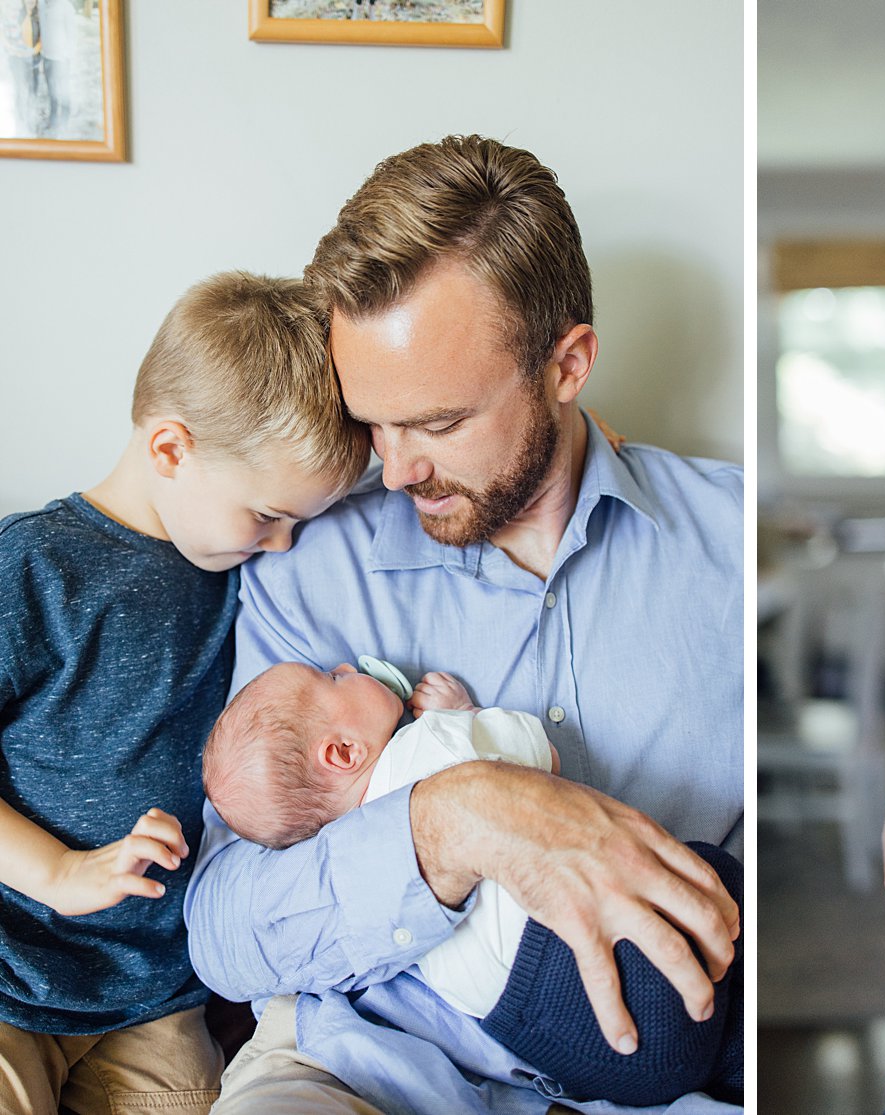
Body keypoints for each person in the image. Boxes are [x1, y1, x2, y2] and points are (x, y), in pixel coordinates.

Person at [184, 135, 744, 1115]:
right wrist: (449, 819)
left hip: (659, 1077)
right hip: (361, 1066)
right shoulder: (312, 563)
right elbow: (223, 929)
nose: (394, 471)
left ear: (566, 365)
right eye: (375, 423)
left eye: (437, 423)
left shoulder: (731, 542)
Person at [0, 271, 367, 1115]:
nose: (284, 547)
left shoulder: (241, 573)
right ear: (170, 449)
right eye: (268, 516)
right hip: (13, 970)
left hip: (152, 1002)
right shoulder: (36, 566)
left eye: (299, 525)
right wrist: (56, 871)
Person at [201, 660, 743, 1107]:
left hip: (556, 1039)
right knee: (706, 877)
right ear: (343, 752)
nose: (345, 665)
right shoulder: (431, 744)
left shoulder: (343, 850)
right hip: (606, 961)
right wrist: (465, 713)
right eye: (334, 680)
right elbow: (544, 757)